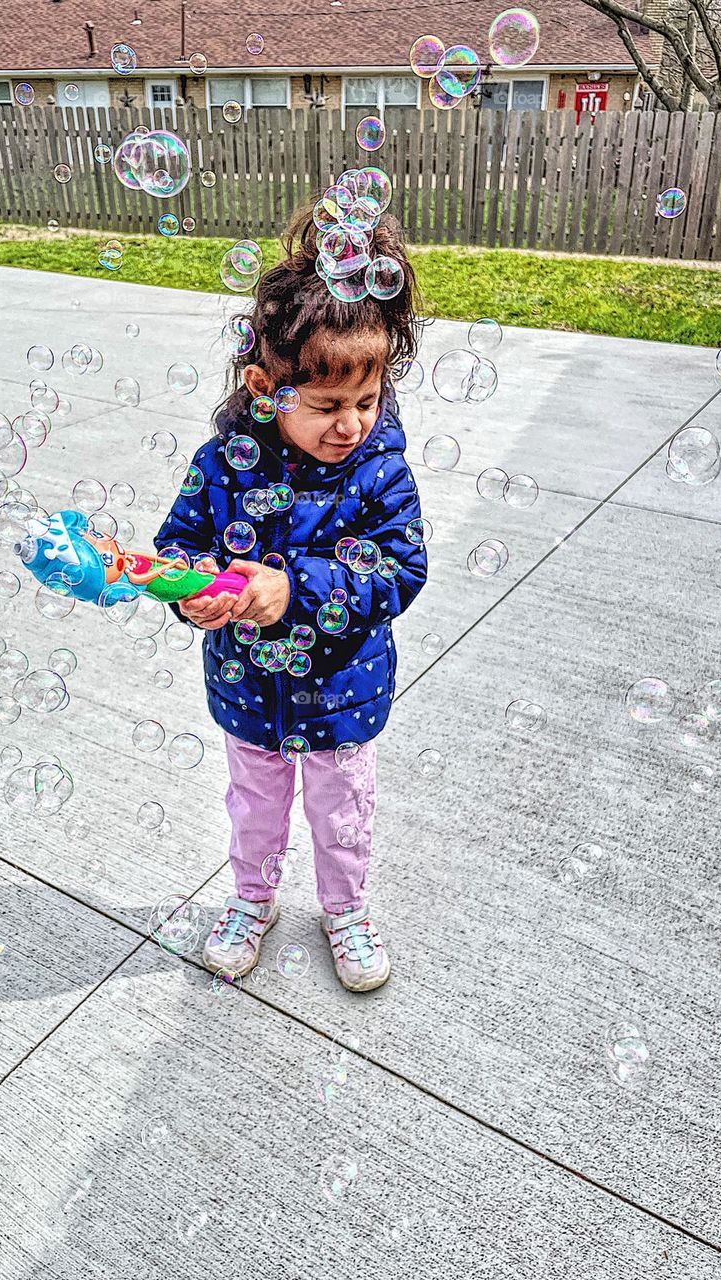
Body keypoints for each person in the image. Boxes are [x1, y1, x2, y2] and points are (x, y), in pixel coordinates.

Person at [154, 204, 429, 993]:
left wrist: (294, 588)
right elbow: (179, 545)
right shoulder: (224, 464)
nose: (351, 425)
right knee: (255, 807)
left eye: (366, 402)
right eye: (327, 405)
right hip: (249, 685)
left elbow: (399, 570)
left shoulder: (379, 471)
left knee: (342, 818)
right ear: (266, 388)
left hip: (343, 689)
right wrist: (192, 591)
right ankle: (252, 900)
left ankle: (345, 909)